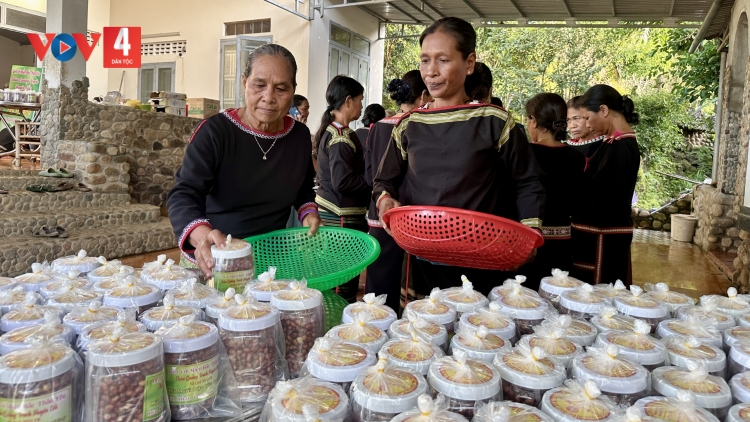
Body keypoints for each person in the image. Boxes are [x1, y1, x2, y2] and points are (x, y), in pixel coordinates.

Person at [373, 17, 545, 297]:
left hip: (484, 257)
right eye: (425, 60)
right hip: (425, 256)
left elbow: (527, 182)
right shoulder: (410, 124)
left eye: (443, 60)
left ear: (469, 63)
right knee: (429, 330)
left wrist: (530, 234)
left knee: (477, 333)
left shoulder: (494, 121)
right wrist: (385, 201)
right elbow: (384, 181)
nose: (431, 72)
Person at [167, 44, 320, 278]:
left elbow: (303, 190)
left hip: (272, 259)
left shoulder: (298, 137)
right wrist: (202, 234)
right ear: (244, 82)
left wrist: (307, 212)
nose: (268, 98)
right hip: (216, 257)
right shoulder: (215, 133)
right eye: (259, 85)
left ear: (292, 91)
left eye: (281, 88)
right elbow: (184, 193)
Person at [365, 70, 432, 311]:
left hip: (378, 210)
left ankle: (374, 321)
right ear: (424, 95)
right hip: (405, 215)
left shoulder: (377, 126)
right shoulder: (417, 125)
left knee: (379, 273)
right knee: (406, 276)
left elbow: (370, 172)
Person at [571, 84, 640, 285]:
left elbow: (604, 197)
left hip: (604, 237)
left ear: (604, 110)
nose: (587, 124)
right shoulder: (612, 142)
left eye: (586, 117)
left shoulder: (620, 146)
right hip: (601, 234)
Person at [520, 93, 586, 289]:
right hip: (563, 246)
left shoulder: (525, 155)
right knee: (557, 297)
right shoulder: (578, 158)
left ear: (533, 120)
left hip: (529, 245)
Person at [314, 75, 370, 303]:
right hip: (340, 216)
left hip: (337, 213)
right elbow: (342, 181)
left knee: (340, 276)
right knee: (341, 280)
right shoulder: (340, 138)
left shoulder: (336, 132)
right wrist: (371, 182)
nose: (361, 106)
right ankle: (336, 324)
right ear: (348, 101)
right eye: (359, 100)